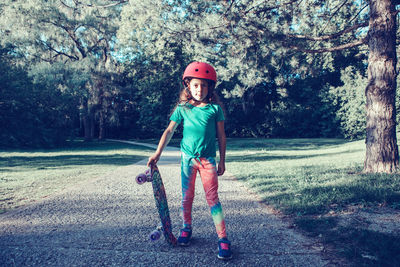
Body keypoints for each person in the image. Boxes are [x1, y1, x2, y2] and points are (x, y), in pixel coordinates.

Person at [147, 61, 232, 260]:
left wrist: (222, 161)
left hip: (208, 161)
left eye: (204, 85)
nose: (199, 89)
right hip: (187, 160)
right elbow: (169, 131)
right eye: (195, 85)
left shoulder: (214, 109)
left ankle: (223, 238)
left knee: (213, 199)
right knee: (187, 197)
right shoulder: (183, 108)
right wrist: (157, 153)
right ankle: (186, 228)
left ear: (210, 87)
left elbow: (222, 136)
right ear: (188, 86)